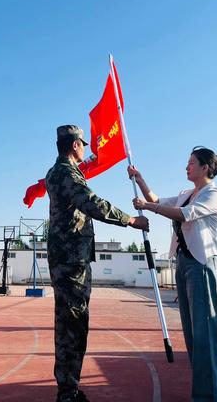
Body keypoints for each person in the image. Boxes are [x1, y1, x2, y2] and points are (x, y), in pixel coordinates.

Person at [45, 125, 149, 402]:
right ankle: (68, 392)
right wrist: (130, 220)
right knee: (73, 324)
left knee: (68, 323)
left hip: (67, 258)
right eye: (84, 144)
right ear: (75, 144)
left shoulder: (59, 171)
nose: (86, 148)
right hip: (71, 260)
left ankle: (68, 387)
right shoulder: (66, 173)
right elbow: (91, 202)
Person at [129, 147, 217, 402]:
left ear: (205, 167)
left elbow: (185, 214)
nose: (187, 167)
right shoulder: (186, 193)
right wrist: (139, 179)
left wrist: (148, 206)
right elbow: (159, 201)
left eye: (192, 163)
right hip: (183, 265)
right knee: (193, 336)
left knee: (205, 333)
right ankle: (216, 394)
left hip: (200, 265)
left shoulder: (213, 193)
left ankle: (208, 397)